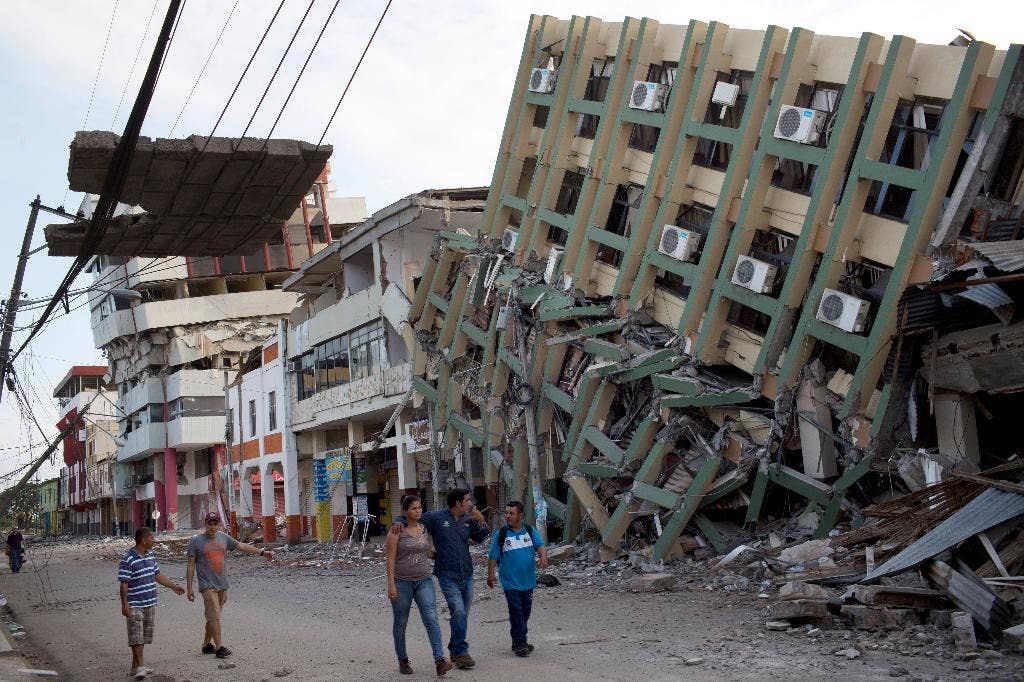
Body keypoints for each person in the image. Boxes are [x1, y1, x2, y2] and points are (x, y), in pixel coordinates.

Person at [392, 489, 488, 670]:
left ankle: (454, 649)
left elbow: (481, 538)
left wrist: (482, 521)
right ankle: (459, 652)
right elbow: (413, 516)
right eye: (467, 500)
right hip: (446, 574)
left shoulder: (469, 519)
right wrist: (397, 521)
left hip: (466, 574)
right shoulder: (437, 517)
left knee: (462, 614)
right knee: (458, 611)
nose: (470, 503)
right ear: (458, 503)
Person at [185, 512, 274, 659]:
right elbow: (190, 565)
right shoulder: (196, 542)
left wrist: (262, 553)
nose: (212, 527)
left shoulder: (223, 537)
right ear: (205, 524)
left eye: (215, 524)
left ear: (218, 524)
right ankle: (220, 647)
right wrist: (189, 588)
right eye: (209, 524)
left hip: (222, 584)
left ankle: (207, 645)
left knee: (213, 616)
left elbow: (242, 546)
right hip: (207, 586)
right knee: (214, 615)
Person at [385, 495, 453, 677]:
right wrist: (391, 584)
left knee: (431, 618)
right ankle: (403, 660)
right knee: (401, 621)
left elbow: (427, 552)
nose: (418, 511)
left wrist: (444, 556)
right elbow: (390, 559)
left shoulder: (423, 529)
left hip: (424, 580)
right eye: (414, 508)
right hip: (402, 582)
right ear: (405, 511)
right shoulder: (396, 531)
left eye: (420, 508)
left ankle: (439, 661)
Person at [118, 527, 185, 680]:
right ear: (143, 540)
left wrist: (173, 586)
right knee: (136, 636)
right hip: (134, 603)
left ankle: (135, 667)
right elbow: (124, 584)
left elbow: (157, 575)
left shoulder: (150, 555)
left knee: (143, 636)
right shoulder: (127, 559)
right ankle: (140, 667)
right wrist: (125, 605)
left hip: (150, 602)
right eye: (152, 538)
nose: (154, 541)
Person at [487, 501, 548, 656]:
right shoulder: (501, 534)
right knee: (516, 611)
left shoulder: (529, 530)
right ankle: (521, 643)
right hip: (510, 582)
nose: (507, 516)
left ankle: (518, 639)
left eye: (511, 513)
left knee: (525, 612)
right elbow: (493, 556)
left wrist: (543, 557)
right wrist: (491, 574)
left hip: (528, 581)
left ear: (521, 515)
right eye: (506, 513)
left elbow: (540, 545)